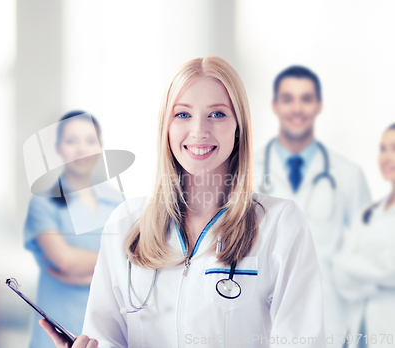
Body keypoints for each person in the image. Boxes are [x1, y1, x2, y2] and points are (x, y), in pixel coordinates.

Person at [40, 56, 326, 348]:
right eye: (183, 115)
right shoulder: (127, 222)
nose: (199, 130)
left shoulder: (279, 223)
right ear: (166, 127)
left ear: (239, 126)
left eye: (217, 114)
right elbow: (105, 336)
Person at [253, 66, 372, 347]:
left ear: (318, 105)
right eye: (288, 98)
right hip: (263, 323)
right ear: (275, 105)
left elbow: (367, 257)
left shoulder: (348, 176)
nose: (297, 108)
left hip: (334, 325)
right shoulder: (247, 173)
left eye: (306, 99)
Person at [24, 111, 122, 348]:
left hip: (105, 334)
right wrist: (109, 265)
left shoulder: (119, 202)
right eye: (71, 141)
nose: (81, 149)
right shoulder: (43, 202)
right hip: (57, 332)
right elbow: (65, 261)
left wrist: (85, 272)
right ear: (58, 148)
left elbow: (133, 261)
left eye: (89, 141)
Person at [332, 124, 395, 348]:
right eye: (383, 148)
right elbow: (340, 271)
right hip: (357, 332)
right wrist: (379, 282)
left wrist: (360, 271)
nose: (386, 157)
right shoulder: (369, 213)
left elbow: (391, 266)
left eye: (394, 148)